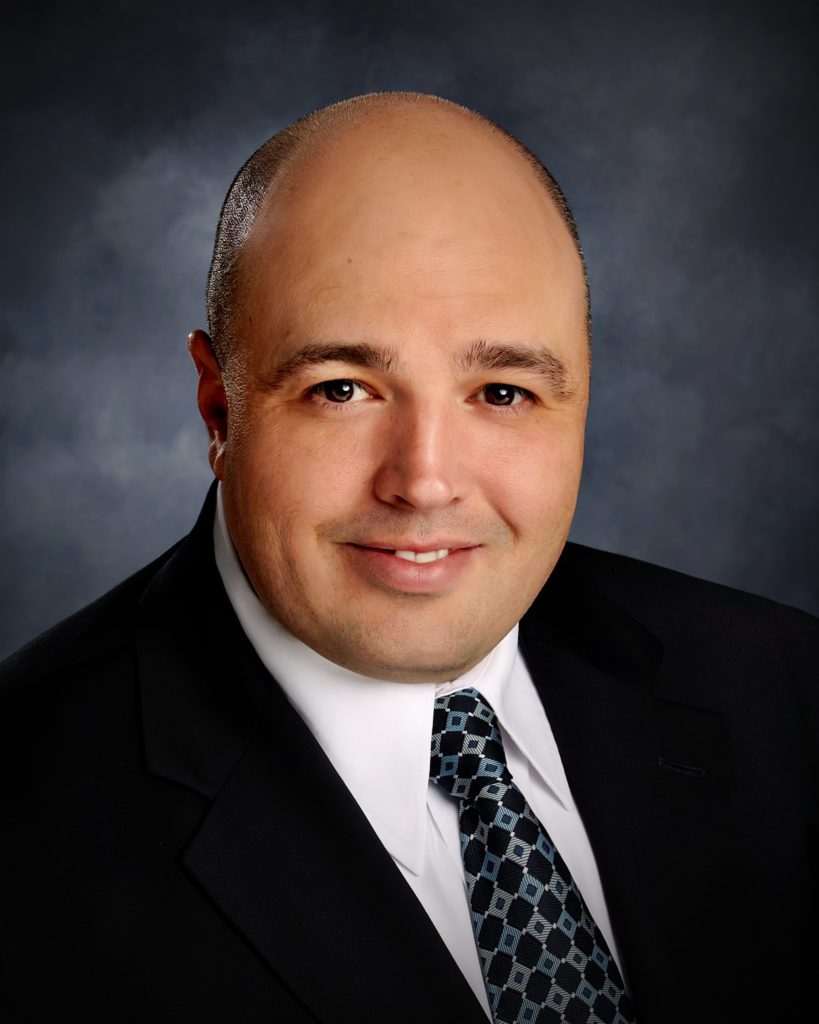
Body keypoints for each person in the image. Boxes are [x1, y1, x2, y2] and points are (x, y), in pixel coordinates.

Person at [0, 91, 815, 1024]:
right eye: (340, 389)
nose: (424, 483)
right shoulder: (26, 826)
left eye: (501, 393)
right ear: (219, 408)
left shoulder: (784, 690)